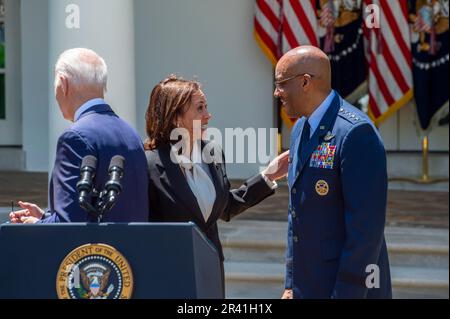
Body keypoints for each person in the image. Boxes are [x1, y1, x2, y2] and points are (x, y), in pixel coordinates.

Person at [144, 75, 289, 290]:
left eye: (206, 107)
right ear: (175, 116)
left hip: (210, 270)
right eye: (199, 108)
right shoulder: (148, 163)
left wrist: (268, 176)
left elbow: (225, 207)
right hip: (168, 275)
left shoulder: (212, 153)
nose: (208, 115)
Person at [275, 46, 391, 299]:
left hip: (346, 286)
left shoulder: (356, 133)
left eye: (281, 84)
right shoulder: (300, 129)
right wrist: (290, 283)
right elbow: (296, 215)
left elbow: (366, 231)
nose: (277, 93)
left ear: (305, 82)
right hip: (308, 283)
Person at [9, 48, 149, 223]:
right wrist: (46, 216)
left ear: (63, 83)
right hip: (132, 248)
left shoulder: (75, 137)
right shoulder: (130, 133)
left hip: (93, 250)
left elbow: (68, 224)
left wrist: (36, 224)